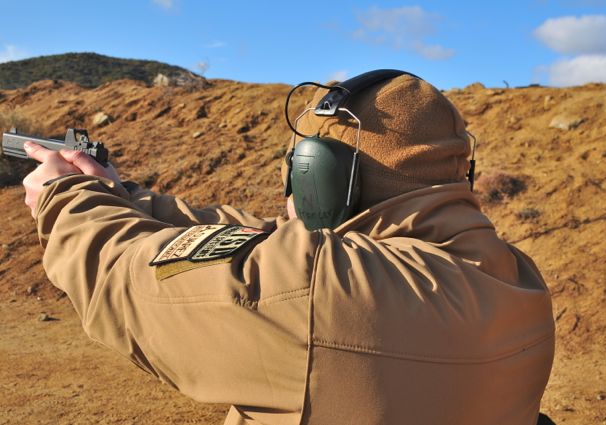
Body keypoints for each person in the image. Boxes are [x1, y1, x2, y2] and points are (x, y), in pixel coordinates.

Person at [22, 71, 555, 425]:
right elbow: (264, 240)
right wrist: (127, 197)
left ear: (319, 176)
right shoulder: (510, 276)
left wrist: (63, 196)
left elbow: (122, 275)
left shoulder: (324, 289)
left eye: (297, 168)